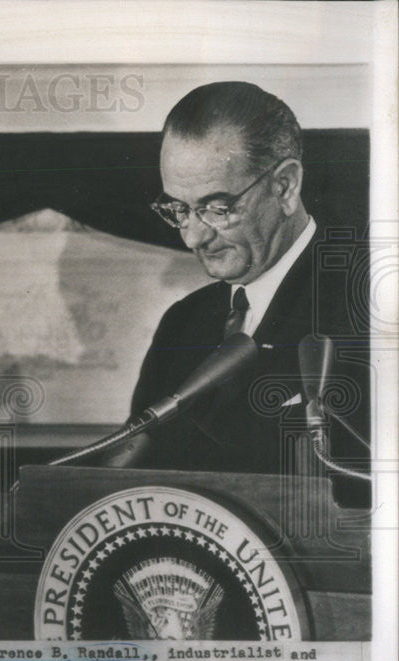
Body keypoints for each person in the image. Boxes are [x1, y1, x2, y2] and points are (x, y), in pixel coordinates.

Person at [121, 82, 369, 499]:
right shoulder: (182, 323)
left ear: (285, 187)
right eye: (178, 210)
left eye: (218, 208)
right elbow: (136, 474)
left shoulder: (369, 308)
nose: (192, 238)